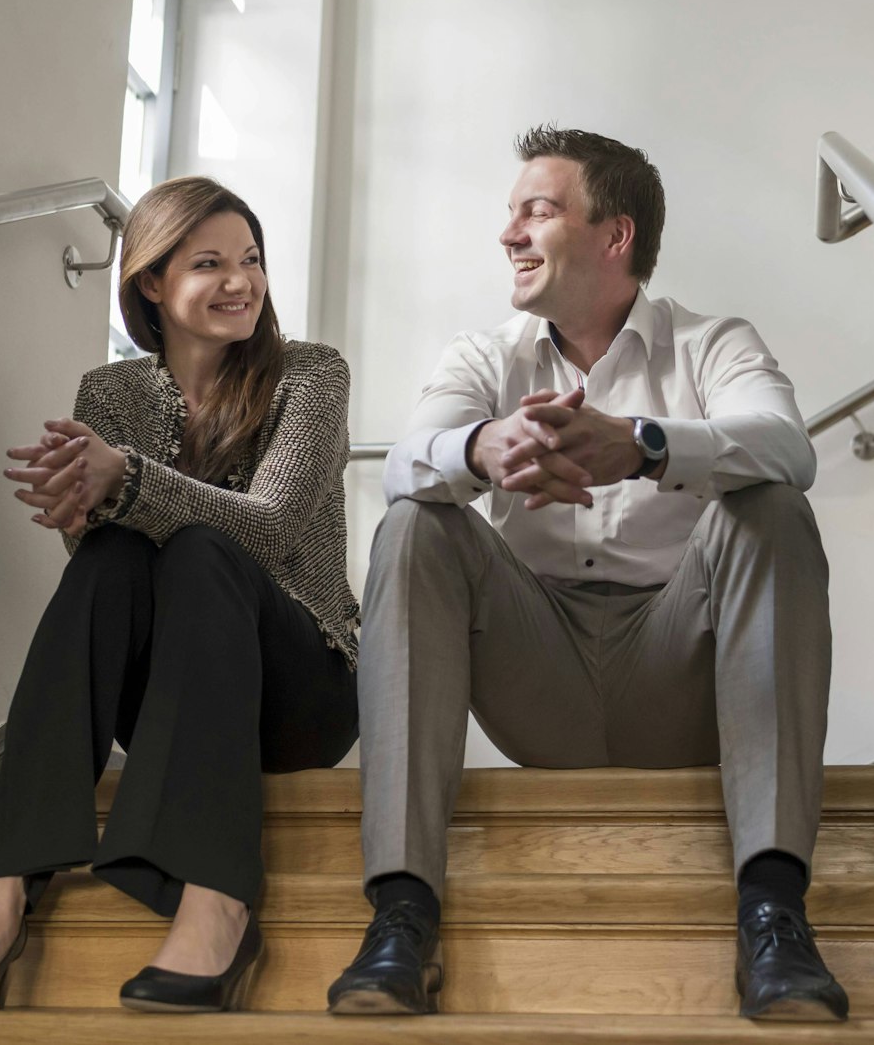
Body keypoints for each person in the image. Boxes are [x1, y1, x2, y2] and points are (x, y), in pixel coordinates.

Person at [325, 125, 846, 1022]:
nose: (509, 234)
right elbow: (405, 461)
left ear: (616, 235)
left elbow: (788, 447)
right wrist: (482, 450)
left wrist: (643, 448)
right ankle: (401, 919)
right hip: (539, 674)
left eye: (537, 210)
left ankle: (773, 914)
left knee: (772, 506)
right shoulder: (484, 356)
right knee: (415, 521)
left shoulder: (711, 342)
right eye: (511, 214)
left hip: (676, 670)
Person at [0, 176, 359, 1013]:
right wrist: (81, 510)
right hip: (168, 699)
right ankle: (3, 891)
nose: (242, 282)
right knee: (114, 555)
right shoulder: (110, 393)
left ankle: (218, 900)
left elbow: (271, 531)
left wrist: (127, 480)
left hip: (301, 689)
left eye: (251, 259)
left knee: (201, 548)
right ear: (151, 281)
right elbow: (106, 569)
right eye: (210, 264)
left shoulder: (311, 373)